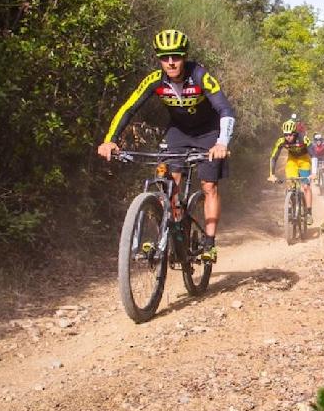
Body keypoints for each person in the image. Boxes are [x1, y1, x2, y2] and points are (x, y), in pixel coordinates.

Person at [97, 29, 235, 263]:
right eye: (164, 57)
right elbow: (128, 108)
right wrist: (111, 139)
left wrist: (222, 142)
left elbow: (225, 109)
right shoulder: (155, 80)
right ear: (159, 58)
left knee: (209, 185)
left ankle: (209, 243)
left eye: (176, 56)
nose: (170, 62)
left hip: (208, 132)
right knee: (168, 184)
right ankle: (171, 229)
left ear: (185, 56)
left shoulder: (200, 75)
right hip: (178, 132)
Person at [268, 119, 314, 224]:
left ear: (295, 133)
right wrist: (272, 174)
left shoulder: (303, 138)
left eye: (290, 135)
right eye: (286, 135)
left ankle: (309, 213)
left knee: (306, 186)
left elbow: (314, 155)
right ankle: (290, 209)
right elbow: (273, 157)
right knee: (290, 184)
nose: (288, 137)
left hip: (304, 160)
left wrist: (314, 173)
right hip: (292, 160)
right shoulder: (281, 140)